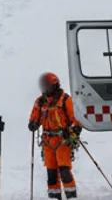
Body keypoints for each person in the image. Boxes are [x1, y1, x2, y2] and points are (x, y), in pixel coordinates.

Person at [28, 72, 82, 200]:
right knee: (51, 173)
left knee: (64, 171)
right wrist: (33, 124)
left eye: (47, 86)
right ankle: (54, 197)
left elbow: (76, 120)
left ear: (54, 85)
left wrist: (73, 135)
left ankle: (71, 196)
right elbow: (34, 119)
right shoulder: (40, 102)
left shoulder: (65, 100)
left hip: (63, 140)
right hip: (47, 141)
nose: (45, 89)